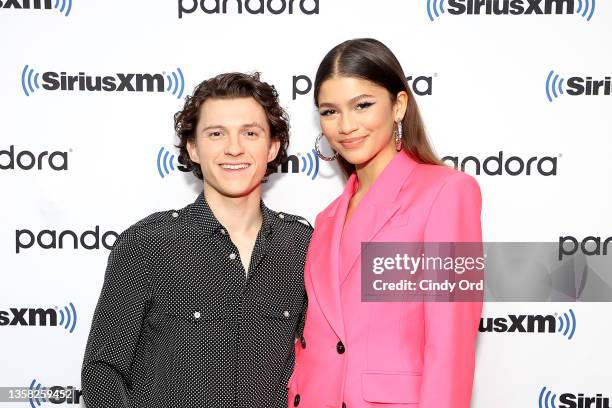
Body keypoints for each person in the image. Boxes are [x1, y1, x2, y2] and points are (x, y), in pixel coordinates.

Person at [81, 72, 312, 408]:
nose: (234, 148)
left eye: (250, 133)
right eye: (216, 134)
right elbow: (103, 372)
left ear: (272, 146)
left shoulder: (302, 246)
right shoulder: (147, 245)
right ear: (193, 147)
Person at [287, 39, 483, 408]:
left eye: (362, 105)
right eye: (329, 112)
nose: (346, 126)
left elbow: (451, 345)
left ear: (399, 105)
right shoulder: (327, 219)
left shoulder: (447, 193)